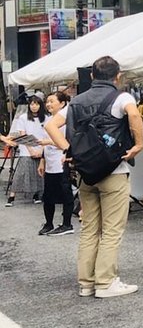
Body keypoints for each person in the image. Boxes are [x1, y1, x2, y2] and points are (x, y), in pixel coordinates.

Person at [46, 55, 143, 299]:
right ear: (118, 75)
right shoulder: (121, 97)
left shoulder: (76, 101)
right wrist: (139, 144)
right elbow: (133, 114)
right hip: (114, 171)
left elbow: (50, 127)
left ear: (91, 76)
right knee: (111, 230)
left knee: (89, 229)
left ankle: (86, 282)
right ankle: (105, 282)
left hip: (85, 173)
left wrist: (68, 149)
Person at [37, 91, 74, 236]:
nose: (48, 104)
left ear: (63, 104)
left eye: (52, 101)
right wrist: (42, 161)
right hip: (50, 163)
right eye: (47, 101)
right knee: (48, 196)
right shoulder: (48, 120)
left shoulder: (66, 121)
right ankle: (48, 223)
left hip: (61, 161)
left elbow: (68, 145)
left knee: (66, 194)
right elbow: (44, 146)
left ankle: (67, 224)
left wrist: (48, 141)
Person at [3, 94, 46, 207]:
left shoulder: (46, 118)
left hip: (42, 147)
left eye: (36, 104)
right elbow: (23, 134)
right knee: (20, 173)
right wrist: (31, 150)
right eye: (32, 104)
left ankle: (36, 194)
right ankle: (12, 196)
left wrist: (41, 150)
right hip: (27, 148)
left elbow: (47, 135)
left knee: (38, 173)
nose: (34, 106)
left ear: (40, 105)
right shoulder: (23, 117)